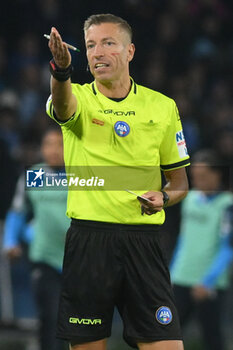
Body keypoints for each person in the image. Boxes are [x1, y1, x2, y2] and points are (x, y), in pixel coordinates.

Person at [46, 14, 190, 350]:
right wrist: (62, 71)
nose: (98, 52)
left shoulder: (162, 106)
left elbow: (180, 182)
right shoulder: (78, 96)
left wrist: (164, 198)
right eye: (91, 45)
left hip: (145, 243)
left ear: (130, 52)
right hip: (90, 241)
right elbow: (62, 106)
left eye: (109, 43)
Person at [3, 127, 70, 350]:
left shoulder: (81, 176)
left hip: (77, 260)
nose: (54, 150)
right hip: (44, 257)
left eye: (60, 144)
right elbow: (18, 212)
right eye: (49, 144)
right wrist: (11, 241)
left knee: (73, 320)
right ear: (42, 148)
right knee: (51, 316)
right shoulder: (34, 176)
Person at [170, 150, 233, 350]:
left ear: (217, 175)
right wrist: (171, 272)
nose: (198, 181)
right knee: (169, 334)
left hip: (207, 283)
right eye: (195, 177)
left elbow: (228, 248)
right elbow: (184, 238)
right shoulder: (189, 199)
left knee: (212, 337)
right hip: (181, 277)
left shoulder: (227, 205)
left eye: (203, 177)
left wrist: (207, 282)